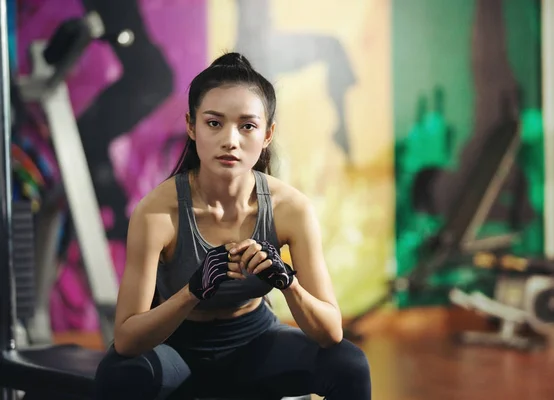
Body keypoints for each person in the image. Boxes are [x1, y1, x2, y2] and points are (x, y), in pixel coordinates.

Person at [94, 52, 371, 399]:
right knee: (118, 373)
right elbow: (127, 338)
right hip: (177, 351)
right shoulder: (157, 212)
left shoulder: (291, 209)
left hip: (257, 347)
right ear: (191, 126)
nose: (231, 140)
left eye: (247, 126)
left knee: (350, 364)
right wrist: (193, 291)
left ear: (268, 134)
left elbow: (331, 332)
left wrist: (287, 282)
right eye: (214, 123)